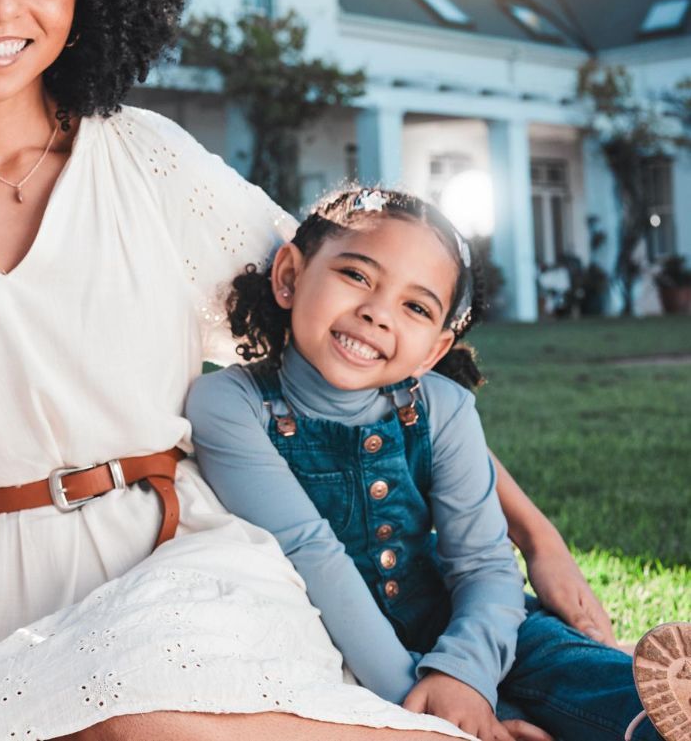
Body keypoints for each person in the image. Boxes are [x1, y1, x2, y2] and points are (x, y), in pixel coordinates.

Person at [0, 0, 627, 741]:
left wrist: (537, 536)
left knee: (160, 721)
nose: (3, 5)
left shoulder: (148, 160)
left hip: (192, 562)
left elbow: (348, 335)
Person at [187, 186, 689, 741]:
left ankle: (643, 716)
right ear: (289, 275)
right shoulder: (232, 405)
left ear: (433, 350)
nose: (377, 313)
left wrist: (467, 673)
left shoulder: (442, 408)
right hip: (322, 641)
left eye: (416, 307)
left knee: (564, 661)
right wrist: (437, 715)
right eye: (356, 276)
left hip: (461, 621)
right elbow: (311, 551)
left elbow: (483, 565)